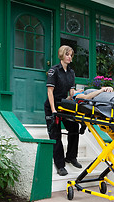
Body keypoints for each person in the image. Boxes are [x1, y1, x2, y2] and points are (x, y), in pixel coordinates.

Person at [44, 45, 82, 176]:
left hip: (64, 104)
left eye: (71, 55)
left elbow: (71, 92)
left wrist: (78, 93)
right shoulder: (54, 71)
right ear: (62, 55)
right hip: (52, 105)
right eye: (67, 54)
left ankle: (71, 156)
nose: (70, 57)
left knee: (74, 127)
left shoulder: (71, 73)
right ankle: (60, 165)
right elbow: (50, 92)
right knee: (56, 135)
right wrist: (54, 110)